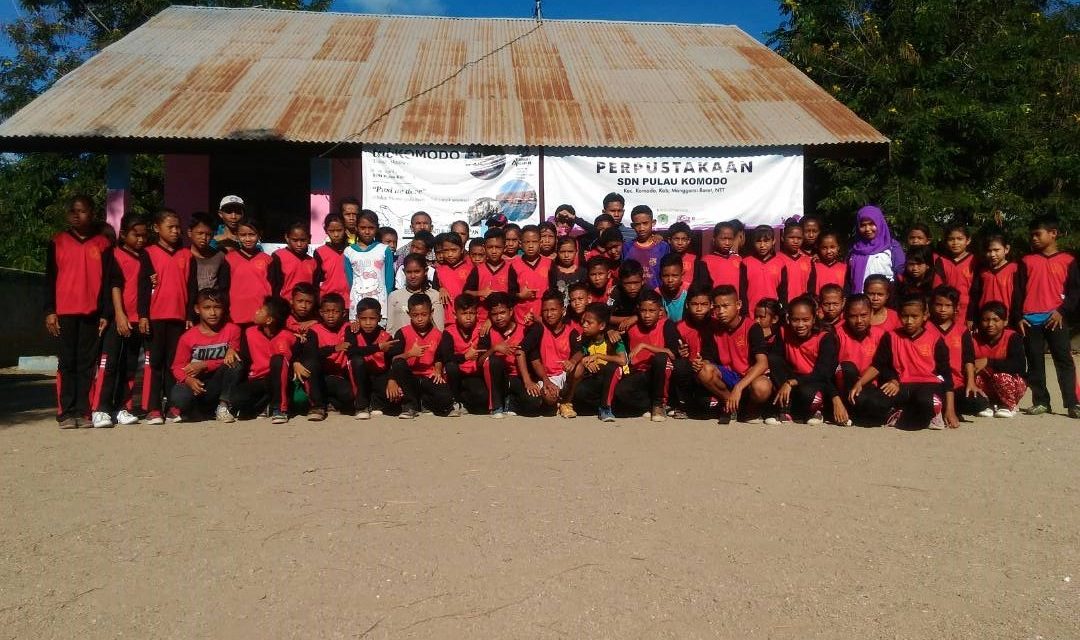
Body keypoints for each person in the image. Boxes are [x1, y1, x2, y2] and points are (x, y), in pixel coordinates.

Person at [46, 195, 111, 428]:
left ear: (92, 213)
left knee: (86, 362)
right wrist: (50, 310)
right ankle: (66, 411)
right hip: (65, 312)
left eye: (82, 210)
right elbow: (50, 279)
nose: (77, 214)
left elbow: (107, 283)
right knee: (67, 362)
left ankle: (84, 410)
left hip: (91, 313)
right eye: (73, 210)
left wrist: (105, 313)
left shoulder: (102, 244)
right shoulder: (58, 241)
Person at [852, 294, 955, 430]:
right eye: (905, 316)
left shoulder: (935, 339)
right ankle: (899, 413)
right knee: (869, 402)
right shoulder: (891, 337)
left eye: (914, 316)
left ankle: (934, 413)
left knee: (924, 403)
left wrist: (950, 410)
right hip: (901, 385)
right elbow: (879, 365)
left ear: (925, 316)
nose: (909, 321)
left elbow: (946, 374)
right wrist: (860, 383)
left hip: (928, 385)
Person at [90, 212, 148, 428]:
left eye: (144, 235)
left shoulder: (144, 257)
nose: (141, 239)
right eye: (136, 235)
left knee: (130, 366)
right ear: (123, 234)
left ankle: (123, 407)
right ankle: (100, 409)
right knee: (109, 364)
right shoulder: (113, 254)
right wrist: (119, 315)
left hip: (137, 320)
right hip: (117, 318)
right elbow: (114, 286)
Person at [1020, 216, 1080, 417]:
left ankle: (1073, 403)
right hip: (1030, 319)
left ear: (1053, 234)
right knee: (1035, 361)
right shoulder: (1026, 261)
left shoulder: (1068, 260)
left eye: (1038, 234)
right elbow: (1017, 292)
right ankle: (1041, 401)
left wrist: (1061, 311)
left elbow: (1074, 292)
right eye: (1032, 235)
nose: (1034, 238)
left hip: (1056, 318)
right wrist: (1018, 316)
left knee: (1063, 360)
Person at [138, 209, 194, 425]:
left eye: (177, 227)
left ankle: (173, 406)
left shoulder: (186, 255)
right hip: (155, 317)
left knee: (175, 364)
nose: (175, 231)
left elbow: (192, 287)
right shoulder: (148, 253)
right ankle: (153, 408)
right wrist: (143, 315)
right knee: (155, 363)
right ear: (156, 228)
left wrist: (189, 314)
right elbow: (143, 285)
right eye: (170, 227)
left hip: (178, 318)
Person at [166, 288, 243, 423]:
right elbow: (177, 367)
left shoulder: (233, 330)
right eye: (207, 307)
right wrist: (188, 380)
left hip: (219, 383)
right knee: (180, 397)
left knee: (235, 363)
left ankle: (223, 407)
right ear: (197, 309)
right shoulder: (187, 337)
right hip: (197, 383)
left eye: (217, 307)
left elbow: (235, 358)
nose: (212, 313)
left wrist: (205, 365)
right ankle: (194, 411)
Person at [711, 285, 776, 423]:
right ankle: (730, 403)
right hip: (727, 377)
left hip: (747, 378)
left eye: (725, 306)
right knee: (703, 370)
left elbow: (762, 363)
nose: (721, 311)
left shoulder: (752, 327)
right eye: (717, 307)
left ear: (738, 305)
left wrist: (739, 387)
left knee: (762, 387)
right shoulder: (713, 327)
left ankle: (749, 409)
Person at [295, 293, 363, 421]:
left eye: (335, 311)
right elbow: (310, 354)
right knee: (310, 362)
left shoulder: (348, 328)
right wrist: (334, 349)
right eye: (326, 311)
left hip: (339, 377)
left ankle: (331, 402)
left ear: (343, 313)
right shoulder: (314, 330)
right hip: (319, 377)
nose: (330, 315)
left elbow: (353, 350)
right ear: (321, 313)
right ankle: (317, 407)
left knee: (348, 396)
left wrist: (356, 324)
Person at [773, 296, 839, 425]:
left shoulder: (825, 337)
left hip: (816, 380)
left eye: (805, 320)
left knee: (808, 394)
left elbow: (823, 373)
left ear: (814, 319)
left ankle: (817, 410)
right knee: (774, 359)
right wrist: (788, 381)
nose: (800, 325)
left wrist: (791, 382)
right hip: (792, 378)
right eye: (795, 320)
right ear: (788, 319)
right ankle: (785, 409)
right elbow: (777, 362)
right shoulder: (782, 332)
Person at [385, 293, 453, 419]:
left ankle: (424, 402)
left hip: (428, 376)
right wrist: (410, 354)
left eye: (424, 314)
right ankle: (410, 405)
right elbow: (394, 359)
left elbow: (439, 357)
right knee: (390, 397)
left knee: (446, 399)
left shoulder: (438, 334)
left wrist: (438, 371)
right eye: (415, 315)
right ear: (409, 314)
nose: (420, 319)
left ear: (431, 313)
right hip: (409, 378)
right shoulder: (403, 332)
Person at [231, 296, 295, 424]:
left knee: (278, 359)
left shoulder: (287, 336)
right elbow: (244, 357)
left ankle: (280, 408)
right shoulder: (249, 332)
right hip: (258, 380)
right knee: (237, 398)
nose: (256, 311)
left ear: (269, 320)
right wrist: (232, 349)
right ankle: (266, 404)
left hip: (278, 380)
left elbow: (287, 362)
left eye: (261, 310)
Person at [832, 294, 891, 427]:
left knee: (876, 404)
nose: (859, 320)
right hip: (844, 385)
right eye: (853, 316)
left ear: (871, 314)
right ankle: (844, 409)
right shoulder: (836, 334)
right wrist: (835, 399)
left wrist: (893, 381)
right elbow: (828, 370)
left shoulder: (881, 335)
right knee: (848, 367)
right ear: (845, 316)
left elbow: (884, 364)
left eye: (864, 315)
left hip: (869, 385)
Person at [621, 290, 680, 422]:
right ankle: (649, 405)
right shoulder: (631, 327)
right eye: (643, 311)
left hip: (660, 373)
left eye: (651, 311)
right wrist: (612, 332)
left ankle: (659, 404)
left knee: (660, 358)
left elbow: (672, 354)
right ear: (638, 310)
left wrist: (644, 346)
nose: (647, 315)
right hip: (639, 373)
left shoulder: (667, 325)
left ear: (660, 312)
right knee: (621, 392)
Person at [563, 302, 628, 422]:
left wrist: (598, 356)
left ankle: (605, 408)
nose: (585, 325)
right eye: (584, 322)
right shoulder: (587, 338)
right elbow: (582, 354)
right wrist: (578, 361)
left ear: (602, 325)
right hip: (598, 378)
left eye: (589, 323)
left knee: (612, 368)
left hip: (617, 380)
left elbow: (623, 360)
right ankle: (571, 402)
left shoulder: (613, 338)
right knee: (580, 392)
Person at [478, 292, 539, 418]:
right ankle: (497, 407)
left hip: (519, 378)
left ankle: (511, 402)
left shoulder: (524, 330)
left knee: (534, 403)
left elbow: (533, 357)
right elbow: (479, 362)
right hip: (499, 380)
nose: (499, 317)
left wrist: (530, 381)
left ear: (511, 311)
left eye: (502, 313)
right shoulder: (487, 332)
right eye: (494, 314)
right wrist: (494, 348)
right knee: (494, 360)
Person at [521, 290, 580, 418]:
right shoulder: (539, 329)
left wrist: (573, 361)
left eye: (553, 310)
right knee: (550, 398)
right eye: (545, 311)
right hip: (546, 376)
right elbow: (533, 359)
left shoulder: (571, 331)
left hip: (564, 375)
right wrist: (545, 380)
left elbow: (580, 351)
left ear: (563, 311)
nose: (549, 314)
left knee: (579, 368)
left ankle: (567, 401)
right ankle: (555, 401)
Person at [963, 302, 1027, 418]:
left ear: (1005, 322)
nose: (990, 324)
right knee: (972, 377)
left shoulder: (1013, 337)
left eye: (995, 320)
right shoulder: (972, 339)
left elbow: (1019, 366)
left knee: (1001, 377)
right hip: (986, 385)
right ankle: (986, 404)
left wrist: (988, 362)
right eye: (985, 320)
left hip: (1010, 384)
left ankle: (1007, 406)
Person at [670, 284, 724, 420]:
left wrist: (706, 361)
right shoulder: (679, 327)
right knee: (680, 365)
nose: (699, 309)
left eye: (704, 304)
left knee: (706, 406)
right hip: (690, 374)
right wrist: (680, 354)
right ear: (687, 305)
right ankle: (683, 404)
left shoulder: (717, 325)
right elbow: (674, 352)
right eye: (694, 304)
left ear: (711, 305)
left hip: (711, 374)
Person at [438, 293, 487, 416]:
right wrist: (465, 356)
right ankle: (455, 401)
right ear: (455, 314)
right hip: (455, 374)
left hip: (473, 374)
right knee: (451, 366)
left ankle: (464, 399)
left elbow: (483, 352)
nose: (469, 317)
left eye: (472, 313)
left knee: (482, 399)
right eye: (464, 314)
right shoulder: (449, 332)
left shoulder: (481, 329)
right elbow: (446, 356)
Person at [350, 298, 396, 419]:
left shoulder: (386, 336)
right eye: (364, 319)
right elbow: (352, 352)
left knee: (393, 397)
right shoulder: (353, 332)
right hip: (359, 375)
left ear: (380, 318)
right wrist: (378, 347)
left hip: (379, 375)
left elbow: (391, 361)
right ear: (357, 318)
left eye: (372, 318)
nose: (368, 323)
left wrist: (392, 380)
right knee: (357, 360)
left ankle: (376, 404)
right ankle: (362, 406)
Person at [344, 209, 394, 320]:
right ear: (356, 228)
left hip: (380, 305)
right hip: (357, 304)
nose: (367, 232)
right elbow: (350, 281)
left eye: (371, 228)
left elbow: (389, 280)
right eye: (363, 228)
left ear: (376, 228)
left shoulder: (384, 250)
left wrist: (387, 301)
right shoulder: (348, 252)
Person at [224, 218, 272, 328]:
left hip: (261, 315)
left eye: (252, 234)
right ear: (237, 235)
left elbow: (273, 287)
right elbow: (224, 288)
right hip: (235, 316)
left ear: (259, 235)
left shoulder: (268, 260)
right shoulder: (229, 259)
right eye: (243, 235)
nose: (248, 239)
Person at [463, 228, 518, 324]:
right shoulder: (478, 270)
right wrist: (481, 293)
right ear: (484, 248)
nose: (494, 251)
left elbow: (513, 296)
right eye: (490, 247)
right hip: (481, 320)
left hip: (503, 320)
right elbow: (466, 292)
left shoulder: (510, 269)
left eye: (498, 247)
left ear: (504, 248)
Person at [929, 286, 966, 424]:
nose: (943, 309)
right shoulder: (925, 328)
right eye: (938, 305)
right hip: (933, 380)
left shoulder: (962, 331)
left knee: (976, 402)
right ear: (931, 306)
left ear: (956, 307)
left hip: (957, 383)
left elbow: (968, 359)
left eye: (948, 305)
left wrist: (971, 382)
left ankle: (950, 409)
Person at [848, 205, 905, 293]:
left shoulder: (892, 246)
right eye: (863, 225)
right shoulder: (855, 249)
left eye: (871, 224)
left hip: (886, 299)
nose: (867, 229)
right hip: (860, 302)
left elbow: (901, 274)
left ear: (879, 223)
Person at [970, 234, 1024, 326]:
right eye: (989, 251)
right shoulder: (982, 272)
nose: (992, 255)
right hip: (985, 320)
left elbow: (1019, 296)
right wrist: (971, 317)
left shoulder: (1015, 269)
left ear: (1006, 249)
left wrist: (1018, 317)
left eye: (996, 250)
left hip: (1008, 320)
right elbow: (975, 296)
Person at [186, 213, 230, 321]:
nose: (204, 238)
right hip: (189, 312)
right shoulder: (183, 256)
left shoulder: (220, 256)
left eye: (208, 234)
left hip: (212, 311)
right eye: (200, 233)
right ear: (190, 232)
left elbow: (224, 287)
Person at [387, 254, 444, 333]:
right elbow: (390, 329)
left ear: (426, 271)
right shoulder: (394, 296)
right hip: (400, 344)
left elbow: (439, 330)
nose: (413, 276)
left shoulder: (435, 296)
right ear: (403, 272)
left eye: (417, 271)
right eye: (409, 272)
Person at [932, 224, 975, 325]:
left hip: (968, 310)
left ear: (968, 240)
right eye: (951, 239)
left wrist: (972, 315)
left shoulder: (975, 261)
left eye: (960, 239)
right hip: (947, 309)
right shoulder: (941, 261)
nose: (955, 243)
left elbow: (977, 291)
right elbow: (938, 288)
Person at [739, 225, 786, 314]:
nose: (762, 245)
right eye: (758, 241)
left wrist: (782, 310)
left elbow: (783, 291)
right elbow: (742, 291)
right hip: (751, 312)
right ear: (753, 242)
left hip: (772, 313)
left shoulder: (780, 263)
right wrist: (745, 312)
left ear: (773, 241)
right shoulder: (745, 263)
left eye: (766, 241)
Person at [511, 224, 553, 325]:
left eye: (534, 242)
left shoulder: (549, 263)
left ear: (540, 242)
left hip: (544, 318)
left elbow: (553, 290)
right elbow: (509, 293)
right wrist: (520, 295)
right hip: (521, 319)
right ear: (520, 244)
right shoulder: (514, 265)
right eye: (527, 242)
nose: (530, 246)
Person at [622, 205, 669, 289]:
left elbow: (666, 272)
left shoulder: (662, 247)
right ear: (632, 226)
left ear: (653, 222)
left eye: (645, 223)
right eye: (637, 224)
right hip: (634, 295)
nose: (641, 228)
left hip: (656, 296)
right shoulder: (627, 247)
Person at [269, 221, 316, 302]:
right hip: (285, 305)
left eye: (303, 240)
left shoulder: (313, 262)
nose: (299, 244)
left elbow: (315, 287)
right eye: (295, 240)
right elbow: (273, 285)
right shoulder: (278, 257)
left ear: (309, 238)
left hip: (306, 307)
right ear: (287, 238)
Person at [313, 213, 351, 309]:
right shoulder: (319, 252)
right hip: (327, 302)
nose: (336, 234)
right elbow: (316, 281)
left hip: (349, 303)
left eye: (339, 230)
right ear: (326, 231)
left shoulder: (352, 251)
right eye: (332, 231)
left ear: (345, 229)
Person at [433, 232, 472, 316]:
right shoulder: (438, 270)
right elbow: (434, 288)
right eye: (446, 250)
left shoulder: (470, 269)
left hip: (466, 315)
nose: (450, 254)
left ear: (461, 250)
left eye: (454, 250)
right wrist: (440, 289)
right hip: (446, 316)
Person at [608, 259, 646, 337]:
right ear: (621, 282)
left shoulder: (647, 291)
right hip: (621, 329)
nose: (632, 287)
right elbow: (606, 316)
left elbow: (656, 314)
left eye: (636, 283)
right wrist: (629, 319)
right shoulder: (617, 291)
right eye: (627, 283)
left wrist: (635, 318)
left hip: (643, 328)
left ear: (643, 281)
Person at [701, 221, 741, 292]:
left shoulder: (738, 259)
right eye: (723, 239)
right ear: (714, 239)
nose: (727, 243)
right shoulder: (706, 261)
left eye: (730, 239)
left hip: (735, 302)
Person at [666, 221, 706, 289]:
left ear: (688, 241)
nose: (680, 243)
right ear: (669, 240)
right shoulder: (665, 259)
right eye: (676, 239)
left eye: (684, 239)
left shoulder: (695, 261)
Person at [777, 222, 811, 301]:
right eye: (791, 237)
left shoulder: (808, 260)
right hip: (782, 307)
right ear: (783, 238)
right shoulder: (776, 259)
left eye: (799, 238)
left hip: (803, 306)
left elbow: (811, 287)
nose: (795, 241)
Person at [808, 231, 846, 296]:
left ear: (838, 247)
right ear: (818, 248)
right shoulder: (814, 266)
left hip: (837, 304)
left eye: (832, 247)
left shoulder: (844, 267)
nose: (828, 251)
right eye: (824, 248)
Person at [656, 253, 688, 322]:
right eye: (665, 276)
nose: (670, 280)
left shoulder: (689, 291)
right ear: (660, 276)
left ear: (682, 274)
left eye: (675, 276)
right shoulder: (657, 294)